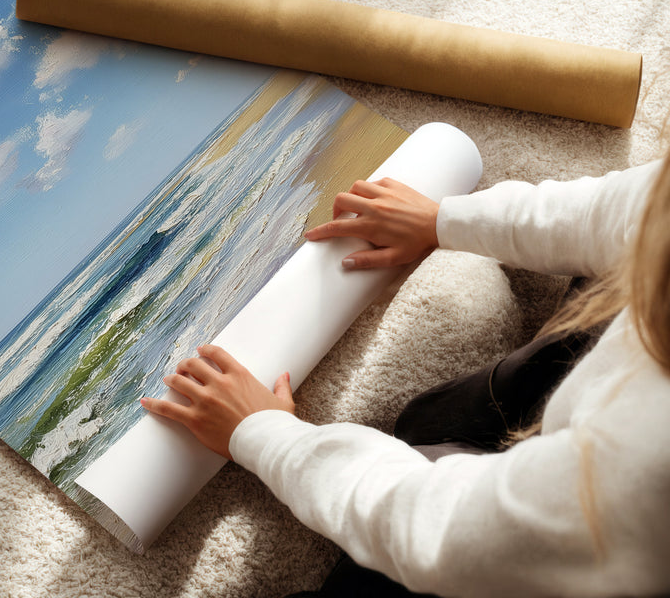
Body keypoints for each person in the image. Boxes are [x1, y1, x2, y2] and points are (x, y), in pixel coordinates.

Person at [140, 155, 670, 597]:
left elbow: (440, 530)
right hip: (599, 441)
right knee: (431, 421)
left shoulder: (644, 466)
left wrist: (265, 435)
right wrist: (443, 220)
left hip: (595, 549)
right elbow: (628, 208)